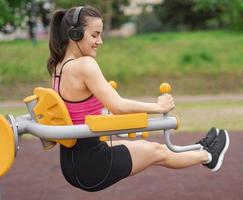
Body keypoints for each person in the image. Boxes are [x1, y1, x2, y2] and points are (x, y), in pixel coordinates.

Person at [47, 6, 230, 192]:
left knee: (147, 146)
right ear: (75, 34)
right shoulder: (85, 65)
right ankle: (208, 156)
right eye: (94, 35)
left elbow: (79, 111)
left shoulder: (59, 66)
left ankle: (199, 150)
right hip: (92, 166)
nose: (100, 41)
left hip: (74, 161)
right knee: (157, 152)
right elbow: (118, 106)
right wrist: (158, 107)